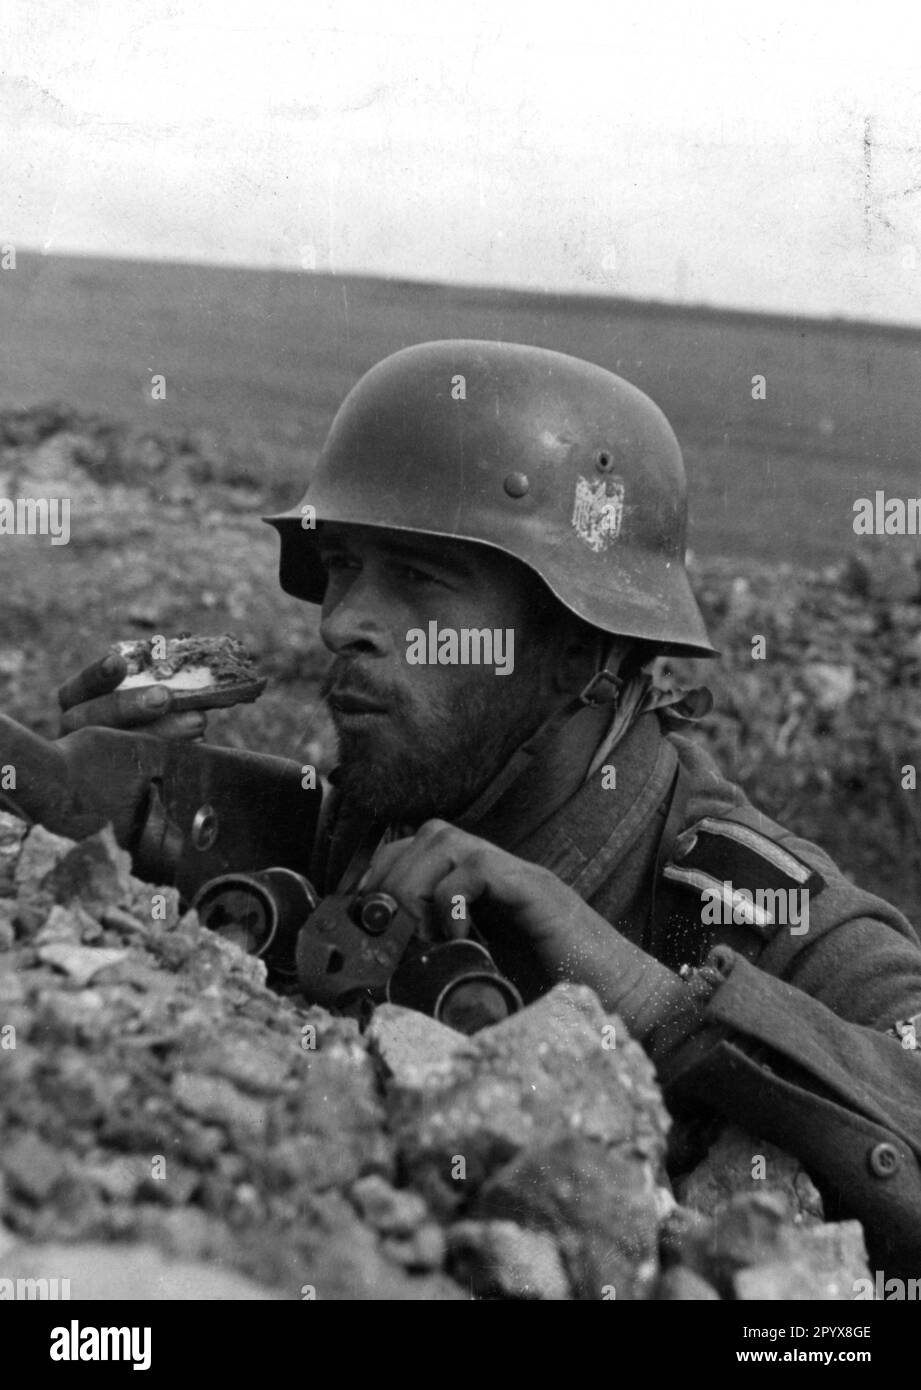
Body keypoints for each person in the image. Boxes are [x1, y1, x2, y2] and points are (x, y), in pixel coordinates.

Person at [55, 340, 921, 1276]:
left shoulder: (742, 898)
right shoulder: (374, 809)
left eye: (422, 579)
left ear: (581, 640)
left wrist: (653, 1002)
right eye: (344, 564)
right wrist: (99, 800)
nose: (343, 619)